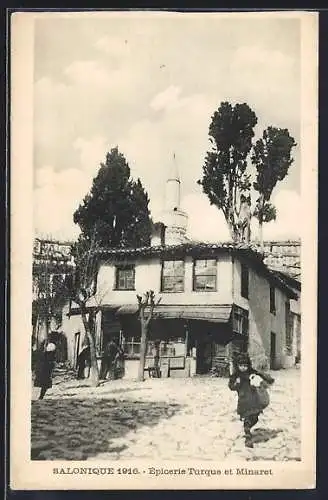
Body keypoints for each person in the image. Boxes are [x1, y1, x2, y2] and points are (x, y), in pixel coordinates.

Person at [228, 352, 275, 448]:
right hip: (245, 400)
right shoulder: (236, 376)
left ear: (248, 365)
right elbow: (231, 386)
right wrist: (237, 383)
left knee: (255, 417)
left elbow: (261, 376)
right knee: (248, 416)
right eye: (241, 365)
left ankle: (247, 427)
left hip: (254, 399)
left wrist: (268, 379)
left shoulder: (251, 373)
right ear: (238, 366)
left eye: (245, 365)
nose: (243, 368)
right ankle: (247, 431)